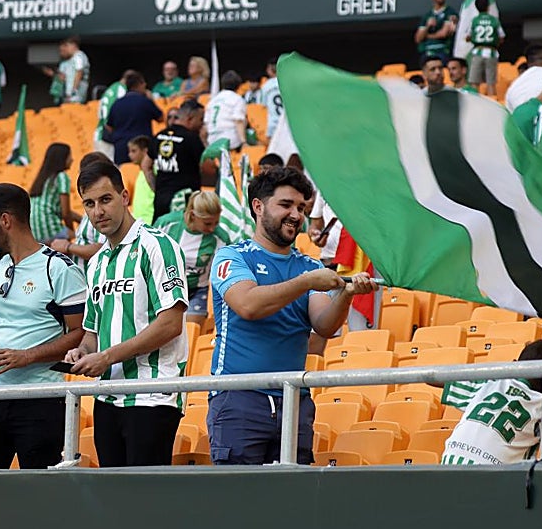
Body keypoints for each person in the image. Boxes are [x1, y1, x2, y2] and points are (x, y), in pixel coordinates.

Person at [208, 167, 376, 464]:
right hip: (239, 398)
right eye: (286, 205)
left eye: (301, 207)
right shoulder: (233, 256)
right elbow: (247, 305)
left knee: (290, 503)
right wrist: (307, 282)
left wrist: (347, 295)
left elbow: (324, 325)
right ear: (258, 207)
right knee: (237, 501)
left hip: (294, 400)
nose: (296, 215)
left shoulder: (309, 266)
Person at [66, 158, 187, 466]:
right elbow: (92, 335)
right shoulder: (95, 263)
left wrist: (107, 357)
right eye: (89, 204)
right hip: (106, 397)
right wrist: (81, 352)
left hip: (151, 395)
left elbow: (171, 324)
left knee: (145, 503)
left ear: (124, 197)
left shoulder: (158, 246)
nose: (98, 211)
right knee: (114, 503)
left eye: (105, 199)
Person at [0, 183, 88, 469]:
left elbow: (81, 333)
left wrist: (27, 356)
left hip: (40, 399)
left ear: (5, 220)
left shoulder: (58, 268)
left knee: (42, 494)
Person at [442, 339, 542, 464]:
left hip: (448, 466)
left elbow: (433, 378)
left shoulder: (489, 383)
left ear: (515, 365)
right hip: (491, 479)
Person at [154, 190, 231, 321]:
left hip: (198, 290)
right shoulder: (166, 224)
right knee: (167, 329)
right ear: (192, 215)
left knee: (191, 331)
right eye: (207, 223)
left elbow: (227, 271)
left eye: (216, 223)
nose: (212, 228)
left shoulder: (220, 237)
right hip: (166, 288)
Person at [150, 100, 206, 220]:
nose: (202, 123)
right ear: (190, 119)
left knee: (161, 234)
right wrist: (205, 141)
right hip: (184, 201)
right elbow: (209, 169)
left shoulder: (159, 136)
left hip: (161, 198)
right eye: (201, 119)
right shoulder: (192, 139)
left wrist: (156, 188)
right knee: (181, 236)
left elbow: (146, 165)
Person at [105, 70, 163, 165]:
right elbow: (161, 118)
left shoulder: (117, 103)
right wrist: (151, 99)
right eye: (143, 83)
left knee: (123, 176)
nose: (145, 85)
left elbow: (108, 126)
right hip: (142, 149)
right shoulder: (145, 102)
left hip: (121, 147)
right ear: (139, 84)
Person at [29, 142, 77, 243]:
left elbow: (57, 210)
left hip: (34, 233)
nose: (72, 160)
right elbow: (66, 213)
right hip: (51, 230)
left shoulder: (42, 179)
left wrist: (82, 219)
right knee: (82, 236)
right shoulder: (62, 177)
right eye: (69, 156)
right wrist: (72, 232)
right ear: (62, 159)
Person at [466, 0, 505, 94]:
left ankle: (474, 103)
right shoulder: (494, 20)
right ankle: (492, 101)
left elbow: (468, 36)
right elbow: (501, 36)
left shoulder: (474, 20)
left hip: (478, 51)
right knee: (491, 83)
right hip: (491, 52)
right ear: (488, 7)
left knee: (474, 82)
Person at [415, 0, 459, 65]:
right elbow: (418, 38)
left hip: (442, 51)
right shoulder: (427, 16)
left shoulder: (450, 12)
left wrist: (427, 36)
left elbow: (443, 33)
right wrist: (428, 26)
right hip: (427, 52)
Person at [43, 36, 90, 104]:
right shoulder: (68, 61)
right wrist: (53, 74)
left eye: (67, 45)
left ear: (74, 45)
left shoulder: (79, 55)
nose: (66, 48)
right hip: (69, 96)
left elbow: (79, 72)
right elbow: (63, 78)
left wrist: (74, 91)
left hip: (77, 95)